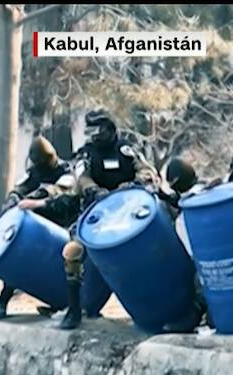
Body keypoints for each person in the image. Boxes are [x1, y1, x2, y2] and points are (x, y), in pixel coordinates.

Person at [21, 109, 164, 330]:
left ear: (110, 129)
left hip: (128, 213)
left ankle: (157, 307)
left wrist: (132, 185)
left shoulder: (127, 150)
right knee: (73, 252)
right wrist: (93, 189)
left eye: (99, 130)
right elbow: (80, 177)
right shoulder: (86, 154)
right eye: (90, 131)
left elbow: (147, 172)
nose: (94, 136)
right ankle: (74, 310)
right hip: (94, 215)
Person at [0, 136, 75, 320]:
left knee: (65, 266)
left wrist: (36, 198)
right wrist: (13, 198)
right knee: (17, 258)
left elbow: (60, 190)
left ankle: (64, 305)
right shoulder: (34, 171)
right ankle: (3, 301)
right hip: (35, 224)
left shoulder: (66, 170)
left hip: (61, 224)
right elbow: (20, 187)